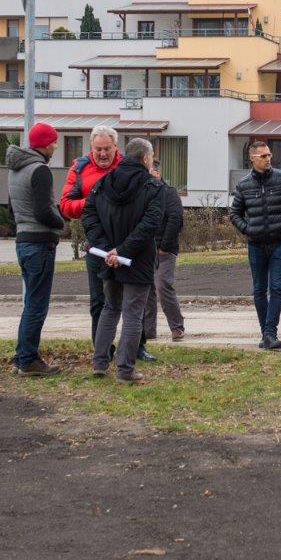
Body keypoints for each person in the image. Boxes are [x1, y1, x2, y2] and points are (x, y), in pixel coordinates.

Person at [82, 138, 165, 382]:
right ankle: (125, 370)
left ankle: (99, 363)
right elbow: (150, 224)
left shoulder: (104, 182)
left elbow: (88, 216)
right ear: (146, 158)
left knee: (110, 308)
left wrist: (107, 249)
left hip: (108, 258)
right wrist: (123, 251)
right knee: (132, 313)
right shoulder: (153, 186)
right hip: (136, 260)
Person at [229, 140, 281, 350]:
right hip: (255, 245)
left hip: (279, 243)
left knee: (277, 288)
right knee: (259, 289)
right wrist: (247, 229)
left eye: (269, 155)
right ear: (252, 158)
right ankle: (266, 334)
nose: (268, 159)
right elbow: (234, 213)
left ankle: (270, 332)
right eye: (263, 156)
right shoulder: (244, 185)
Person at [8, 121, 66, 377]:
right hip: (40, 242)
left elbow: (16, 208)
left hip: (23, 240)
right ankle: (28, 359)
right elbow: (43, 211)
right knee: (37, 304)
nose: (55, 145)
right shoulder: (40, 170)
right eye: (53, 141)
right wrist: (61, 222)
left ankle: (23, 354)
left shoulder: (16, 169)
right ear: (44, 143)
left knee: (30, 301)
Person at [59, 125, 121, 349]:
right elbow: (65, 205)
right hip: (96, 245)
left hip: (125, 243)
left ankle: (137, 346)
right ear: (91, 149)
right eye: (98, 150)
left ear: (116, 147)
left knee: (135, 299)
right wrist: (93, 203)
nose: (103, 154)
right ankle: (102, 348)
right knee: (98, 300)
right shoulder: (79, 168)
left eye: (107, 149)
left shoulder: (126, 167)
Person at [144, 158, 186, 343]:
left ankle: (177, 326)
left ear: (157, 173)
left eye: (149, 171)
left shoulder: (169, 193)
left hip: (164, 250)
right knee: (146, 289)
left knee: (162, 286)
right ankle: (148, 330)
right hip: (145, 248)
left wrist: (164, 247)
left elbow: (175, 219)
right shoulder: (142, 194)